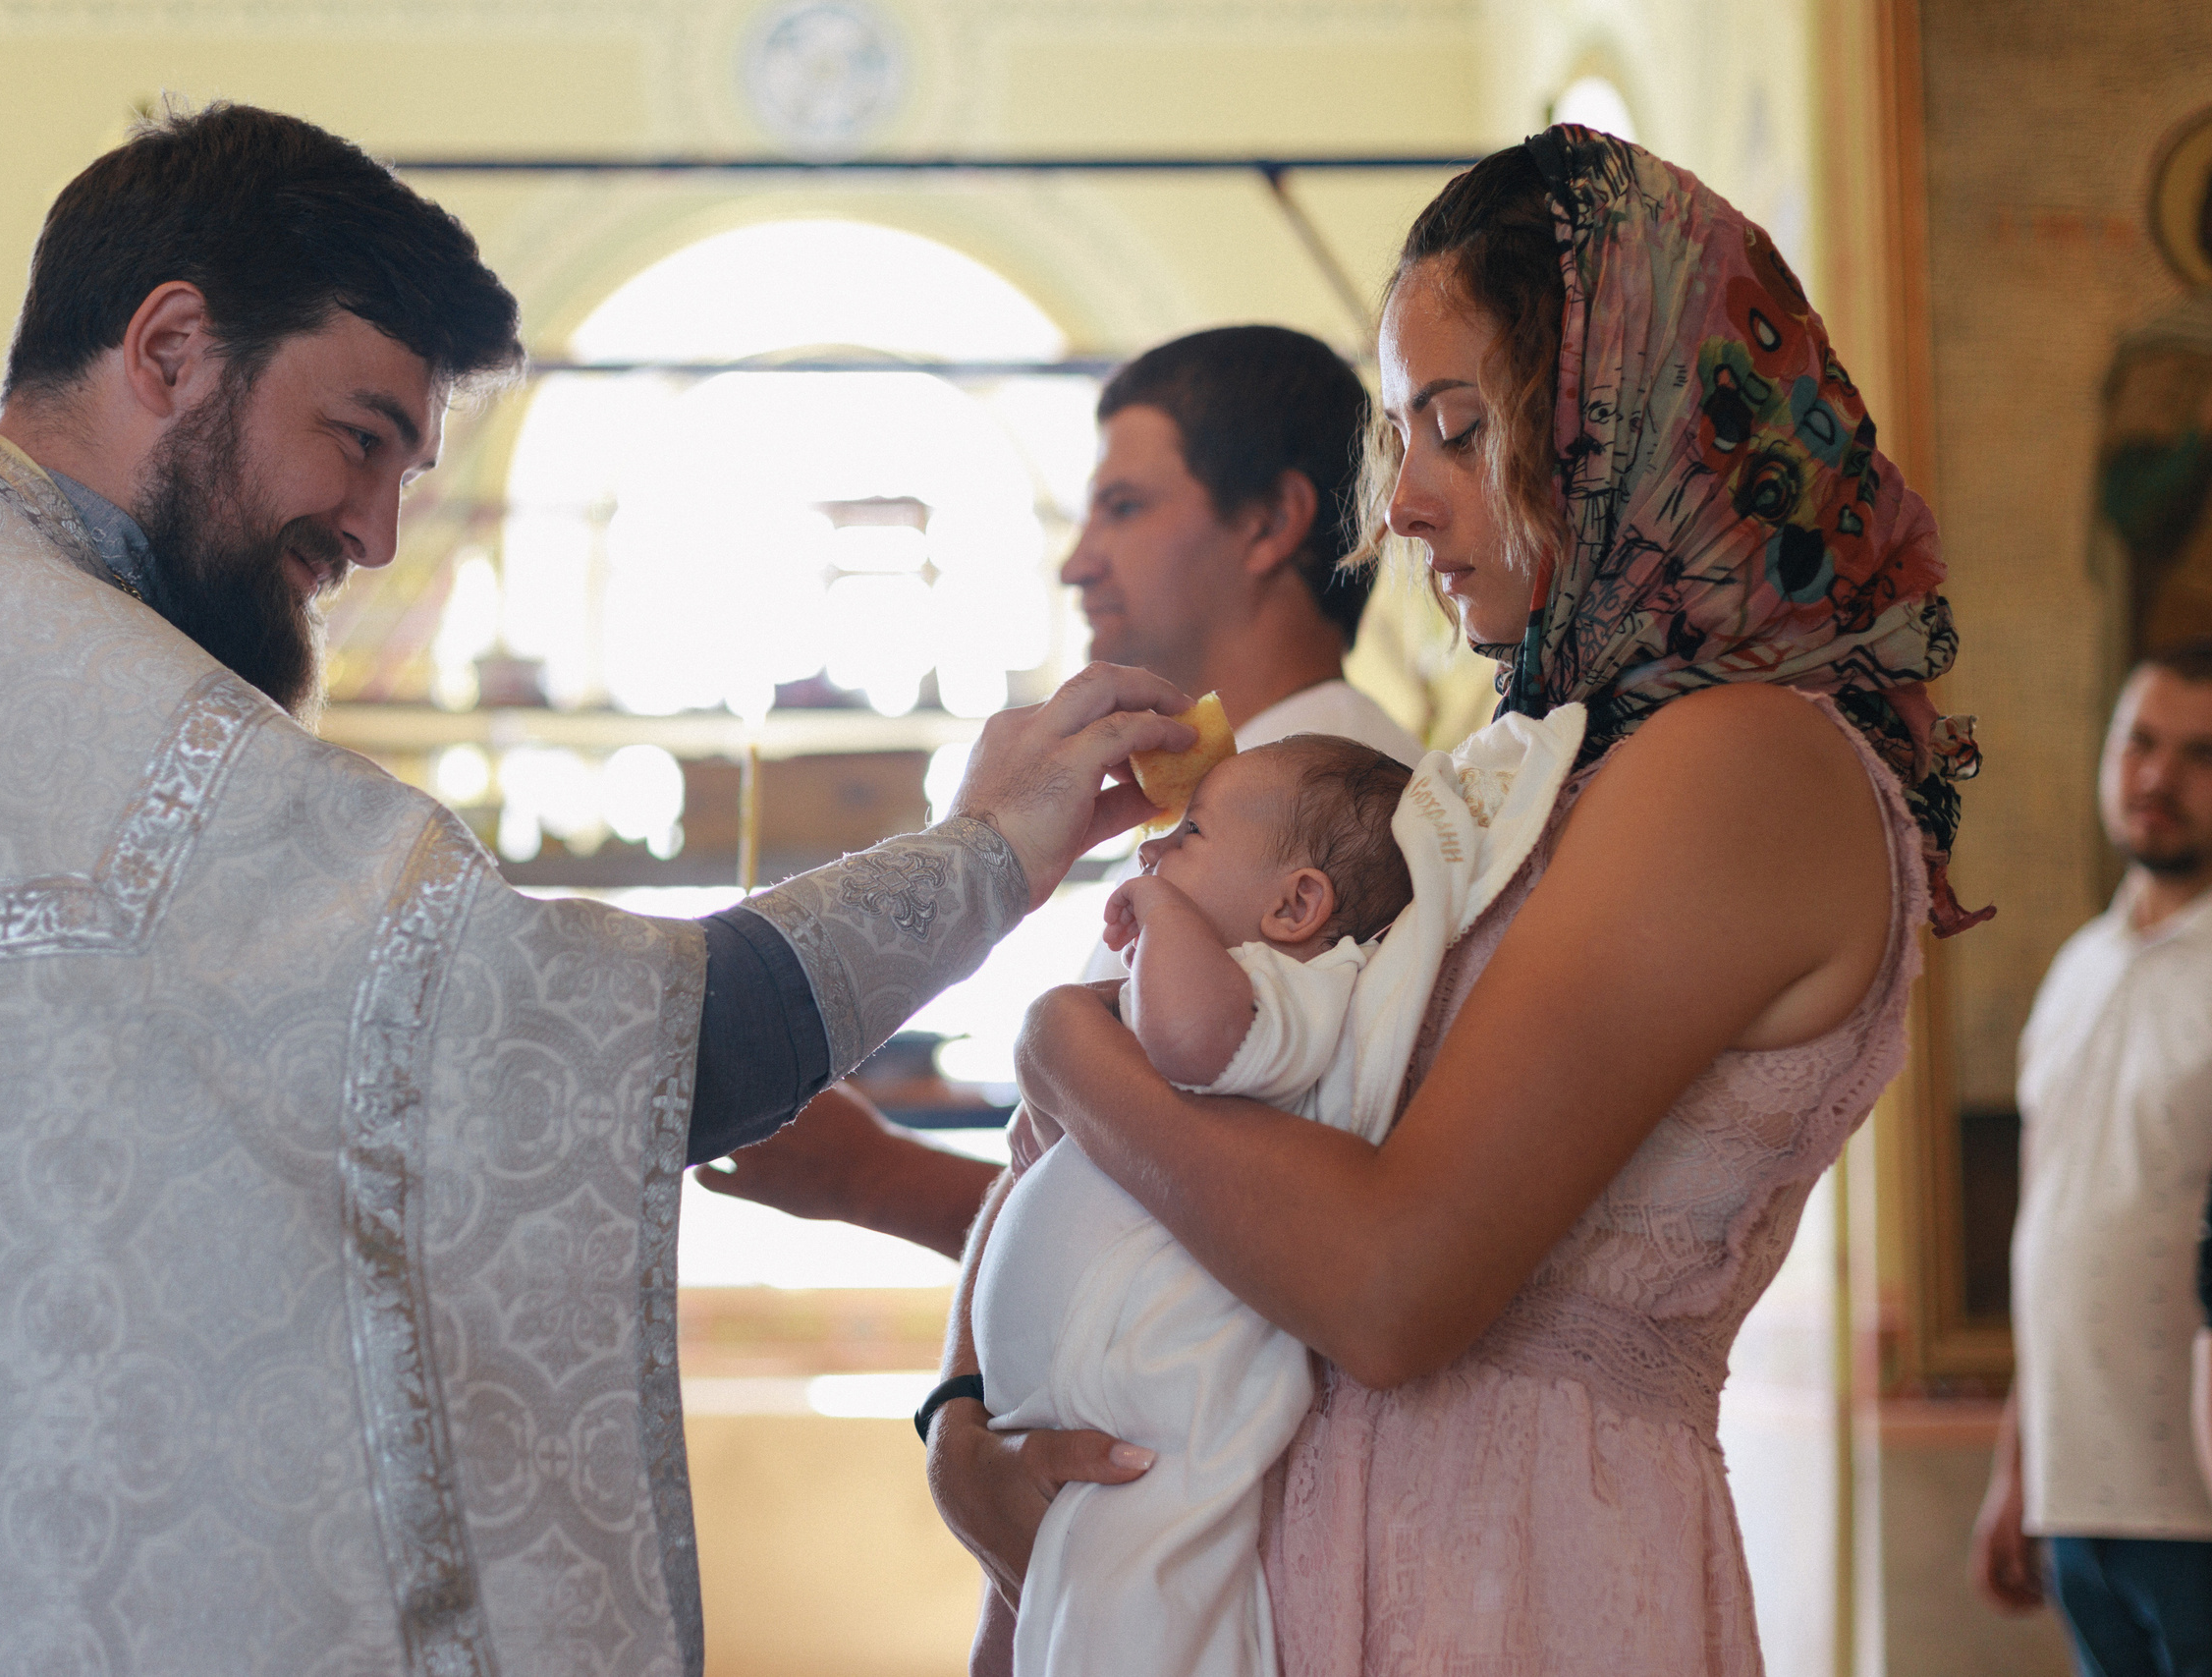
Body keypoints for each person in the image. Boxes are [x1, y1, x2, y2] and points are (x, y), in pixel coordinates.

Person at [0, 104, 1196, 1673]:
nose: (376, 529)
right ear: (169, 348)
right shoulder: (86, 710)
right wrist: (993, 851)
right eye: (358, 438)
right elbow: (607, 1046)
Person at [928, 126, 1986, 1674]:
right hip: (1348, 1562)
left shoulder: (1744, 764)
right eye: (1399, 430)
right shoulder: (1550, 758)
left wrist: (1063, 1053)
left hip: (1522, 1579)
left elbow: (1395, 1278)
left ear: (1629, 417)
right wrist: (971, 1415)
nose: (1404, 504)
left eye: (1458, 426)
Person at [700, 325, 1419, 1258]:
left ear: (1267, 523)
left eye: (1123, 506)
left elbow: (1206, 1220)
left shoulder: (1339, 804)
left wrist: (872, 1177)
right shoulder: (1249, 782)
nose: (1078, 562)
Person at [966, 710, 1577, 1677]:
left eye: (1192, 834)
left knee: (1142, 1626)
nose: (1157, 847)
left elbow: (1191, 1043)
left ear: (1296, 907)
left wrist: (1151, 922)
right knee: (1091, 1625)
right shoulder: (1230, 969)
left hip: (1171, 1407)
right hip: (1108, 1414)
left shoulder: (1292, 989)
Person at [1975, 642, 2212, 1675]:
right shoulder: (2076, 970)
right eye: (2140, 742)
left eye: (2200, 754)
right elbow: (2050, 1234)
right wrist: (2015, 1465)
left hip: (2196, 1509)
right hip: (2075, 1499)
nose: (2157, 776)